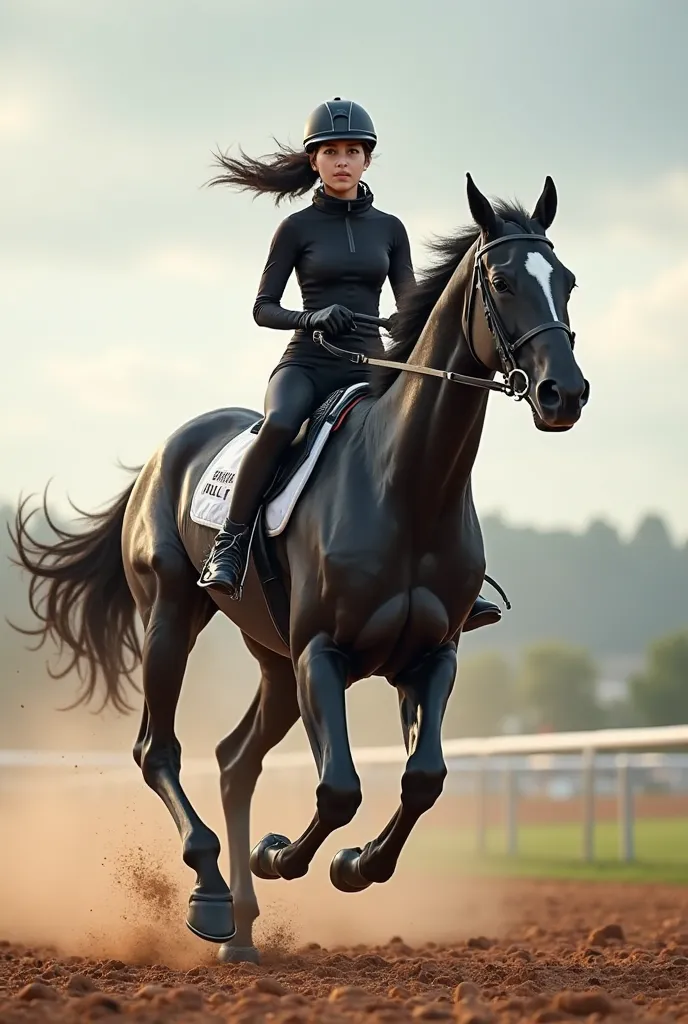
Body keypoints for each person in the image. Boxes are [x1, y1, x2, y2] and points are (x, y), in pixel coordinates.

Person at [197, 96, 501, 631]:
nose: (343, 160)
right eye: (332, 151)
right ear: (314, 160)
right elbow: (262, 308)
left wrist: (395, 324)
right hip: (308, 364)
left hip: (372, 366)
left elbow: (413, 305)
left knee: (426, 436)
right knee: (280, 424)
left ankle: (456, 577)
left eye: (353, 151)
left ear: (367, 160)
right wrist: (312, 318)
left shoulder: (391, 228)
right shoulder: (295, 229)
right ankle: (232, 543)